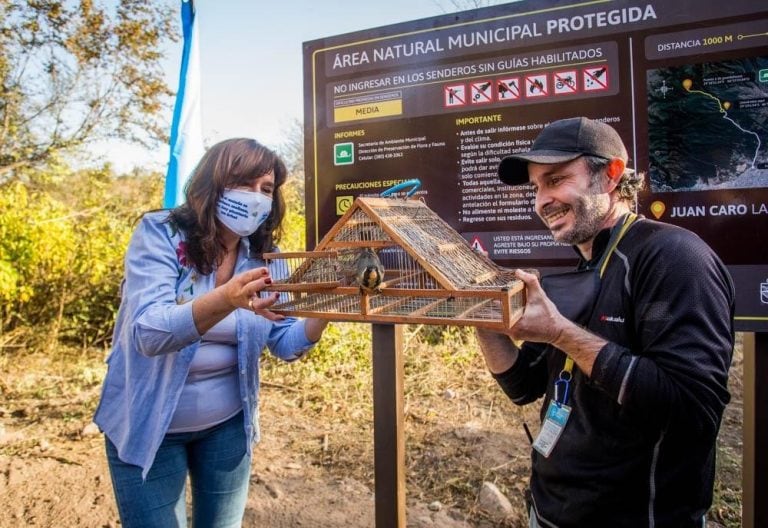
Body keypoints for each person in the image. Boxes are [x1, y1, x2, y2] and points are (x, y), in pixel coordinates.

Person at [475, 117, 734, 528]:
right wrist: (481, 316)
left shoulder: (674, 258)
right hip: (548, 511)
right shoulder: (583, 267)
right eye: (536, 187)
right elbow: (524, 385)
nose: (542, 200)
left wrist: (562, 333)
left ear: (611, 174)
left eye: (556, 179)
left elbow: (694, 412)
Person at [94, 138, 329, 527]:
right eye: (243, 184)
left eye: (266, 190)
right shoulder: (160, 235)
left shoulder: (265, 256)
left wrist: (325, 310)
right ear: (213, 183)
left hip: (227, 428)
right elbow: (149, 334)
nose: (256, 198)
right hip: (148, 424)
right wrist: (227, 298)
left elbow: (285, 342)